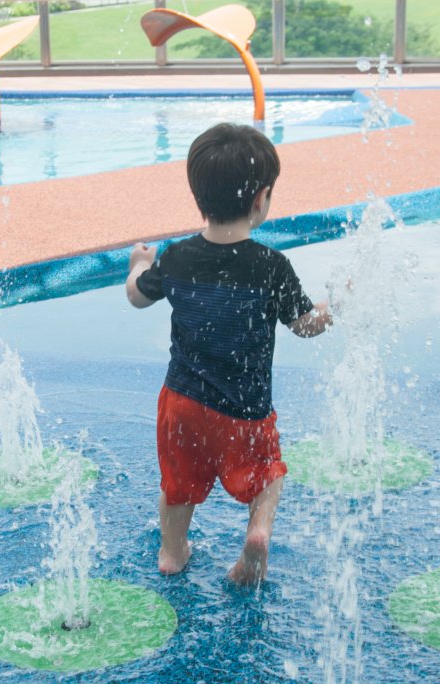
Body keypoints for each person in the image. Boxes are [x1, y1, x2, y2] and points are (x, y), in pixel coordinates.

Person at [125, 122, 332, 585]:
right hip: (245, 411)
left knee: (178, 487)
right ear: (260, 198)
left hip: (182, 404)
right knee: (268, 475)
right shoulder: (271, 266)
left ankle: (173, 553)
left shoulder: (176, 257)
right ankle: (256, 534)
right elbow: (304, 326)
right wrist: (334, 308)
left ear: (198, 195)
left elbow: (137, 297)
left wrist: (139, 264)